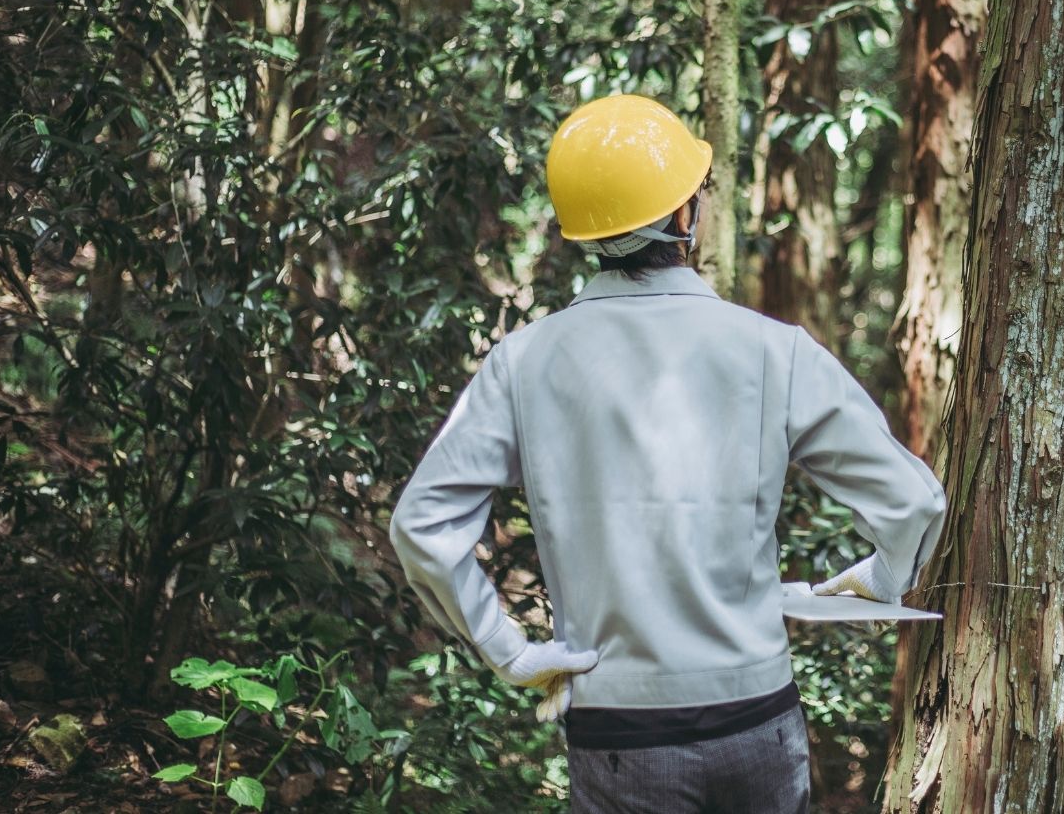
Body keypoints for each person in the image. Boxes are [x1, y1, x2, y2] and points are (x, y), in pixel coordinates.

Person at [389, 94, 947, 813]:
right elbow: (913, 500)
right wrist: (884, 575)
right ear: (686, 215)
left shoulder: (523, 363)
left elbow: (421, 529)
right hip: (757, 721)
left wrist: (512, 653)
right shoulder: (772, 350)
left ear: (583, 232)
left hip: (618, 733)